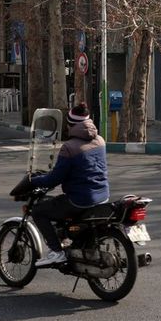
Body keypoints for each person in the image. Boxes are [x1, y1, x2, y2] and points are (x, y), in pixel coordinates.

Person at [13, 104, 109, 266]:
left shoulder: (69, 148)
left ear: (70, 125)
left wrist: (33, 180)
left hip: (79, 200)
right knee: (56, 204)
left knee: (38, 211)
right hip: (102, 196)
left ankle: (57, 252)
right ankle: (68, 240)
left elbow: (53, 179)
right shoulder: (100, 141)